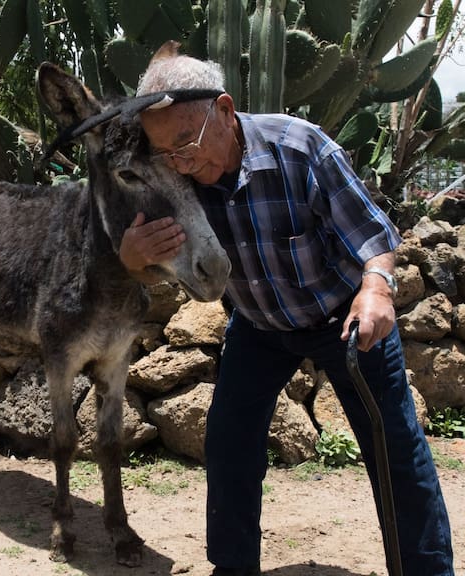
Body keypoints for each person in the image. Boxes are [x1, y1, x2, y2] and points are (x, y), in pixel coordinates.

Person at [119, 42, 454, 576]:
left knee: (396, 451)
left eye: (187, 143)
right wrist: (131, 258)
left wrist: (377, 289)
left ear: (225, 111)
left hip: (342, 317)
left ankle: (426, 571)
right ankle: (233, 568)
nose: (180, 162)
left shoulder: (299, 148)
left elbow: (373, 236)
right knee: (228, 444)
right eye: (166, 152)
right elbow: (142, 262)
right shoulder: (173, 176)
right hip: (258, 327)